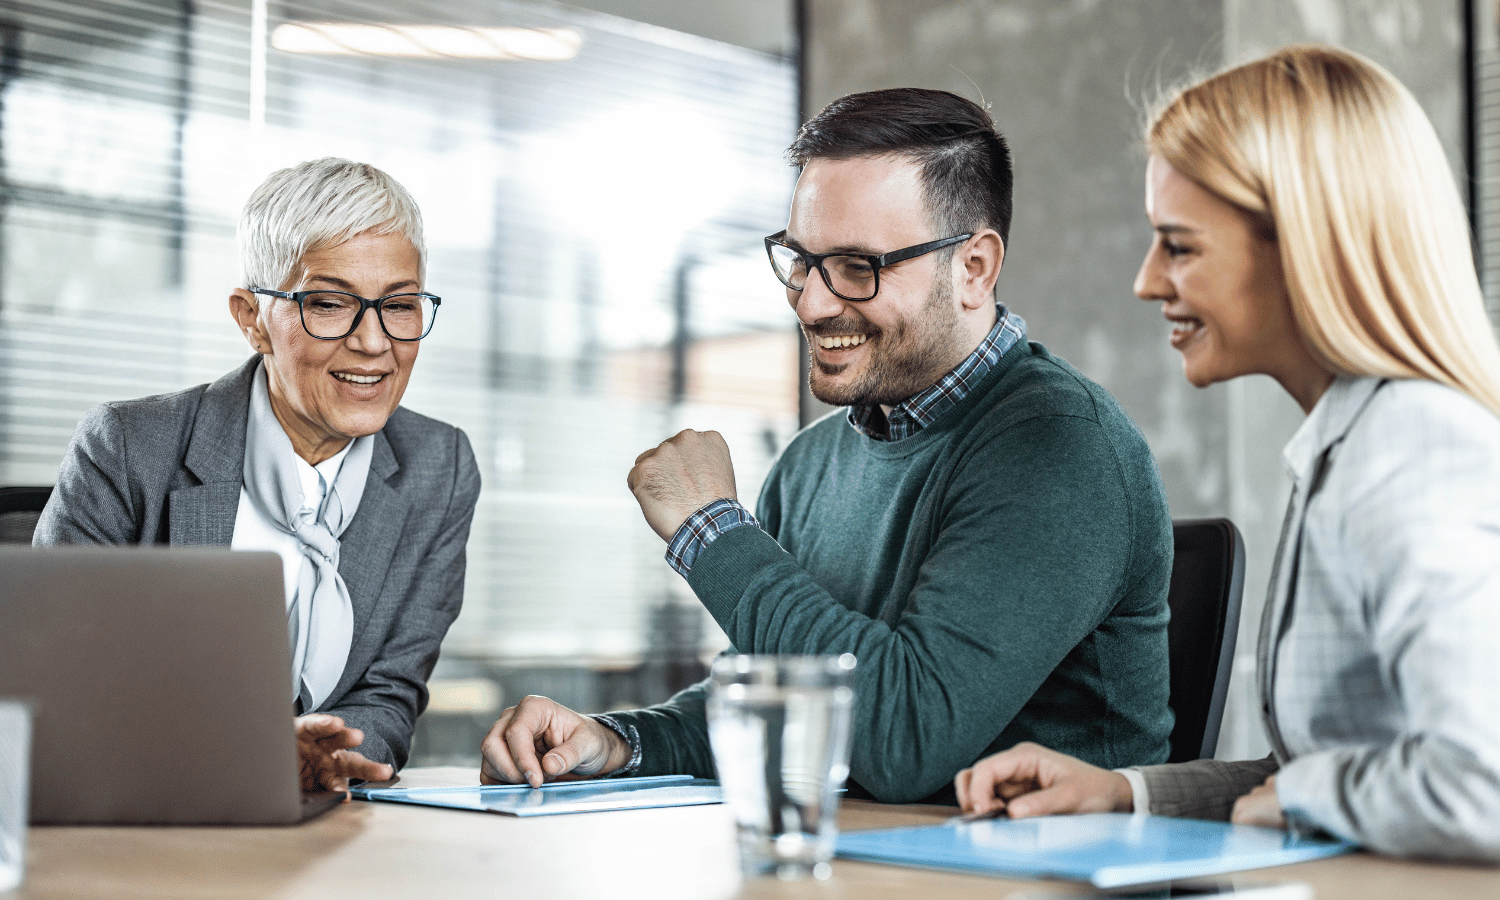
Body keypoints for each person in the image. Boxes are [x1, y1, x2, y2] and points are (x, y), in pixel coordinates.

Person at [480, 88, 1175, 804]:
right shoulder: (811, 464)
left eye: (856, 267)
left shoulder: (1060, 447)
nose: (811, 303)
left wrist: (711, 532)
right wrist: (620, 742)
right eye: (801, 260)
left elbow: (904, 739)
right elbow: (777, 709)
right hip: (857, 871)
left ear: (974, 269)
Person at [953, 45, 1500, 862]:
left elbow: (1481, 783)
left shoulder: (1409, 445)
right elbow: (1322, 779)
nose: (1145, 281)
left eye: (1179, 246)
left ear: (1306, 248)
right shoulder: (1348, 444)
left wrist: (1305, 794)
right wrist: (1124, 792)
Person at [35, 158, 482, 792]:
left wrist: (326, 760)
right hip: (149, 815)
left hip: (322, 828)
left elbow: (390, 690)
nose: (374, 343)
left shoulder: (440, 466)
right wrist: (248, 756)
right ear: (252, 319)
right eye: (330, 304)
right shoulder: (129, 448)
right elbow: (61, 682)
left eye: (400, 306)